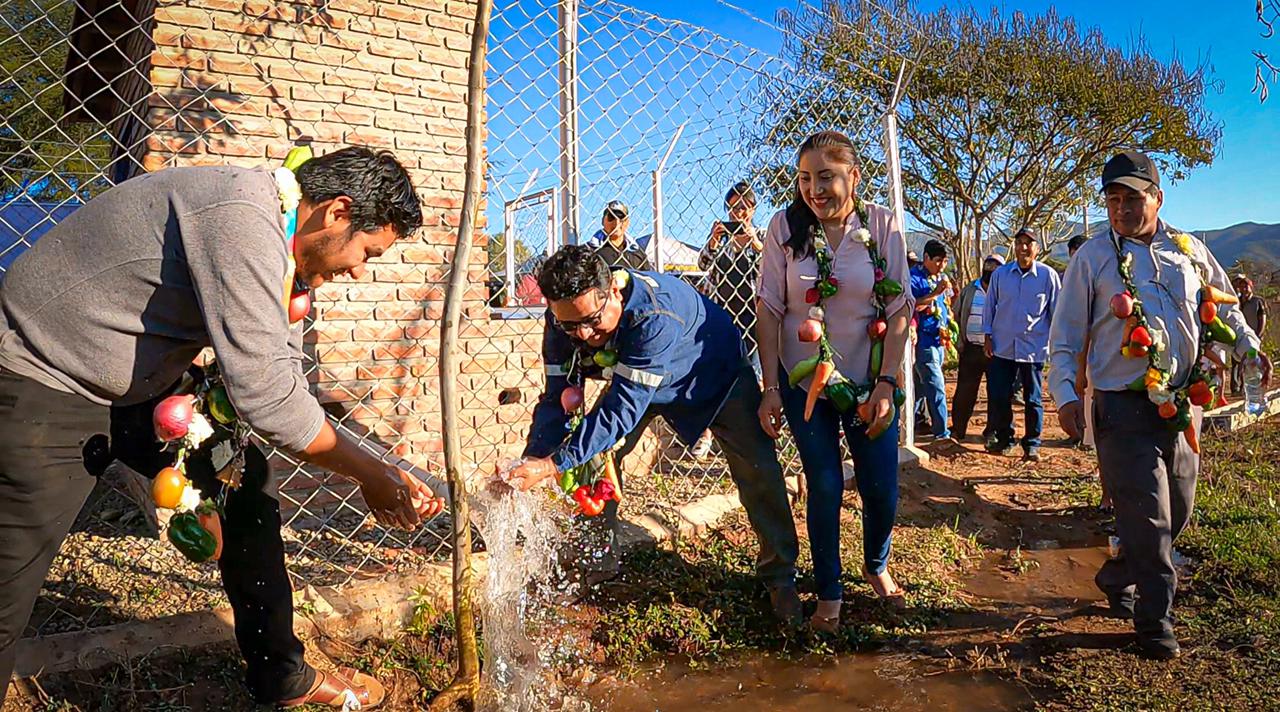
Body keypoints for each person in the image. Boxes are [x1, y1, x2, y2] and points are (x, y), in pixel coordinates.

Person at [0, 147, 445, 708]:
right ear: (337, 211)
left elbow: (277, 371)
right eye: (367, 250)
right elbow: (267, 398)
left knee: (244, 490)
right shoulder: (241, 217)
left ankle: (281, 675)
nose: (359, 269)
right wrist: (368, 471)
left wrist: (371, 465)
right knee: (7, 582)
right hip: (45, 377)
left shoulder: (278, 239)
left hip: (141, 383)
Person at [504, 245, 802, 624]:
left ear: (613, 290)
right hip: (640, 381)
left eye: (592, 320)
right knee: (597, 459)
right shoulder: (564, 318)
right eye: (569, 325)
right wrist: (535, 455)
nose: (582, 334)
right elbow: (557, 398)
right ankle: (596, 560)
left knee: (756, 468)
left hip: (712, 376)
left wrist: (553, 463)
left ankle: (780, 576)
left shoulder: (653, 314)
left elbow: (622, 408)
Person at [1050, 150, 1271, 660]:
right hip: (1120, 404)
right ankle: (1155, 623)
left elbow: (1222, 307)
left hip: (1182, 402)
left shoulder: (1189, 250)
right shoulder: (1093, 258)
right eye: (1114, 199)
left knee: (1179, 509)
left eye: (1134, 197)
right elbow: (1065, 337)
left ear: (1158, 197)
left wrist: (1248, 347)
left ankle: (1118, 573)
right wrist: (1065, 394)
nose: (1123, 208)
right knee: (1150, 517)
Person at [756, 130, 914, 631]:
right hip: (807, 383)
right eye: (805, 178)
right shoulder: (783, 227)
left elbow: (899, 307)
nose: (814, 189)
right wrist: (772, 387)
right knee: (823, 484)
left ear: (854, 176)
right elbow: (769, 309)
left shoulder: (883, 225)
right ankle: (829, 592)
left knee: (880, 488)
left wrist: (887, 383)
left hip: (869, 381)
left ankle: (876, 564)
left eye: (826, 176)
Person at [983, 227, 1060, 461]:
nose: (1023, 247)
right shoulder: (1000, 275)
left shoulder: (1048, 276)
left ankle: (1032, 443)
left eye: (1029, 243)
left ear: (1037, 248)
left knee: (1033, 398)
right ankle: (1006, 438)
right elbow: (990, 307)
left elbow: (1056, 312)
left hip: (1033, 348)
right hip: (1002, 346)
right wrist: (987, 336)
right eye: (1019, 243)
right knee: (1000, 395)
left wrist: (1057, 344)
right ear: (1014, 247)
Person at [950, 253, 1005, 442]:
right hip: (971, 349)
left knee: (996, 392)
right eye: (989, 264)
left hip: (996, 351)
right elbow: (956, 313)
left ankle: (992, 432)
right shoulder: (970, 289)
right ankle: (958, 429)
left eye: (996, 265)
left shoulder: (1004, 291)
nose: (991, 268)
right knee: (965, 391)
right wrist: (960, 340)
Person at [910, 239, 953, 441]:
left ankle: (914, 423)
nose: (941, 266)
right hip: (923, 341)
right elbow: (912, 305)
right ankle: (942, 433)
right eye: (938, 261)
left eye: (945, 261)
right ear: (926, 257)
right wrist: (935, 294)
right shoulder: (914, 278)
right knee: (936, 385)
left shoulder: (940, 277)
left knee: (919, 387)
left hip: (939, 338)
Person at [1230, 274, 1267, 395]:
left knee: (1250, 364)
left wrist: (1257, 336)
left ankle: (1250, 387)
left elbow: (1262, 320)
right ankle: (1236, 387)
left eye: (1246, 286)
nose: (1244, 289)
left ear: (1251, 287)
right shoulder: (1237, 302)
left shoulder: (1258, 302)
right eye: (1241, 287)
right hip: (1239, 337)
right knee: (1236, 363)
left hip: (1252, 340)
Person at [587, 200, 651, 271]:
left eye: (621, 218)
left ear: (627, 223)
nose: (617, 223)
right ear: (603, 221)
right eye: (611, 217)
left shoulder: (638, 254)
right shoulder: (589, 251)